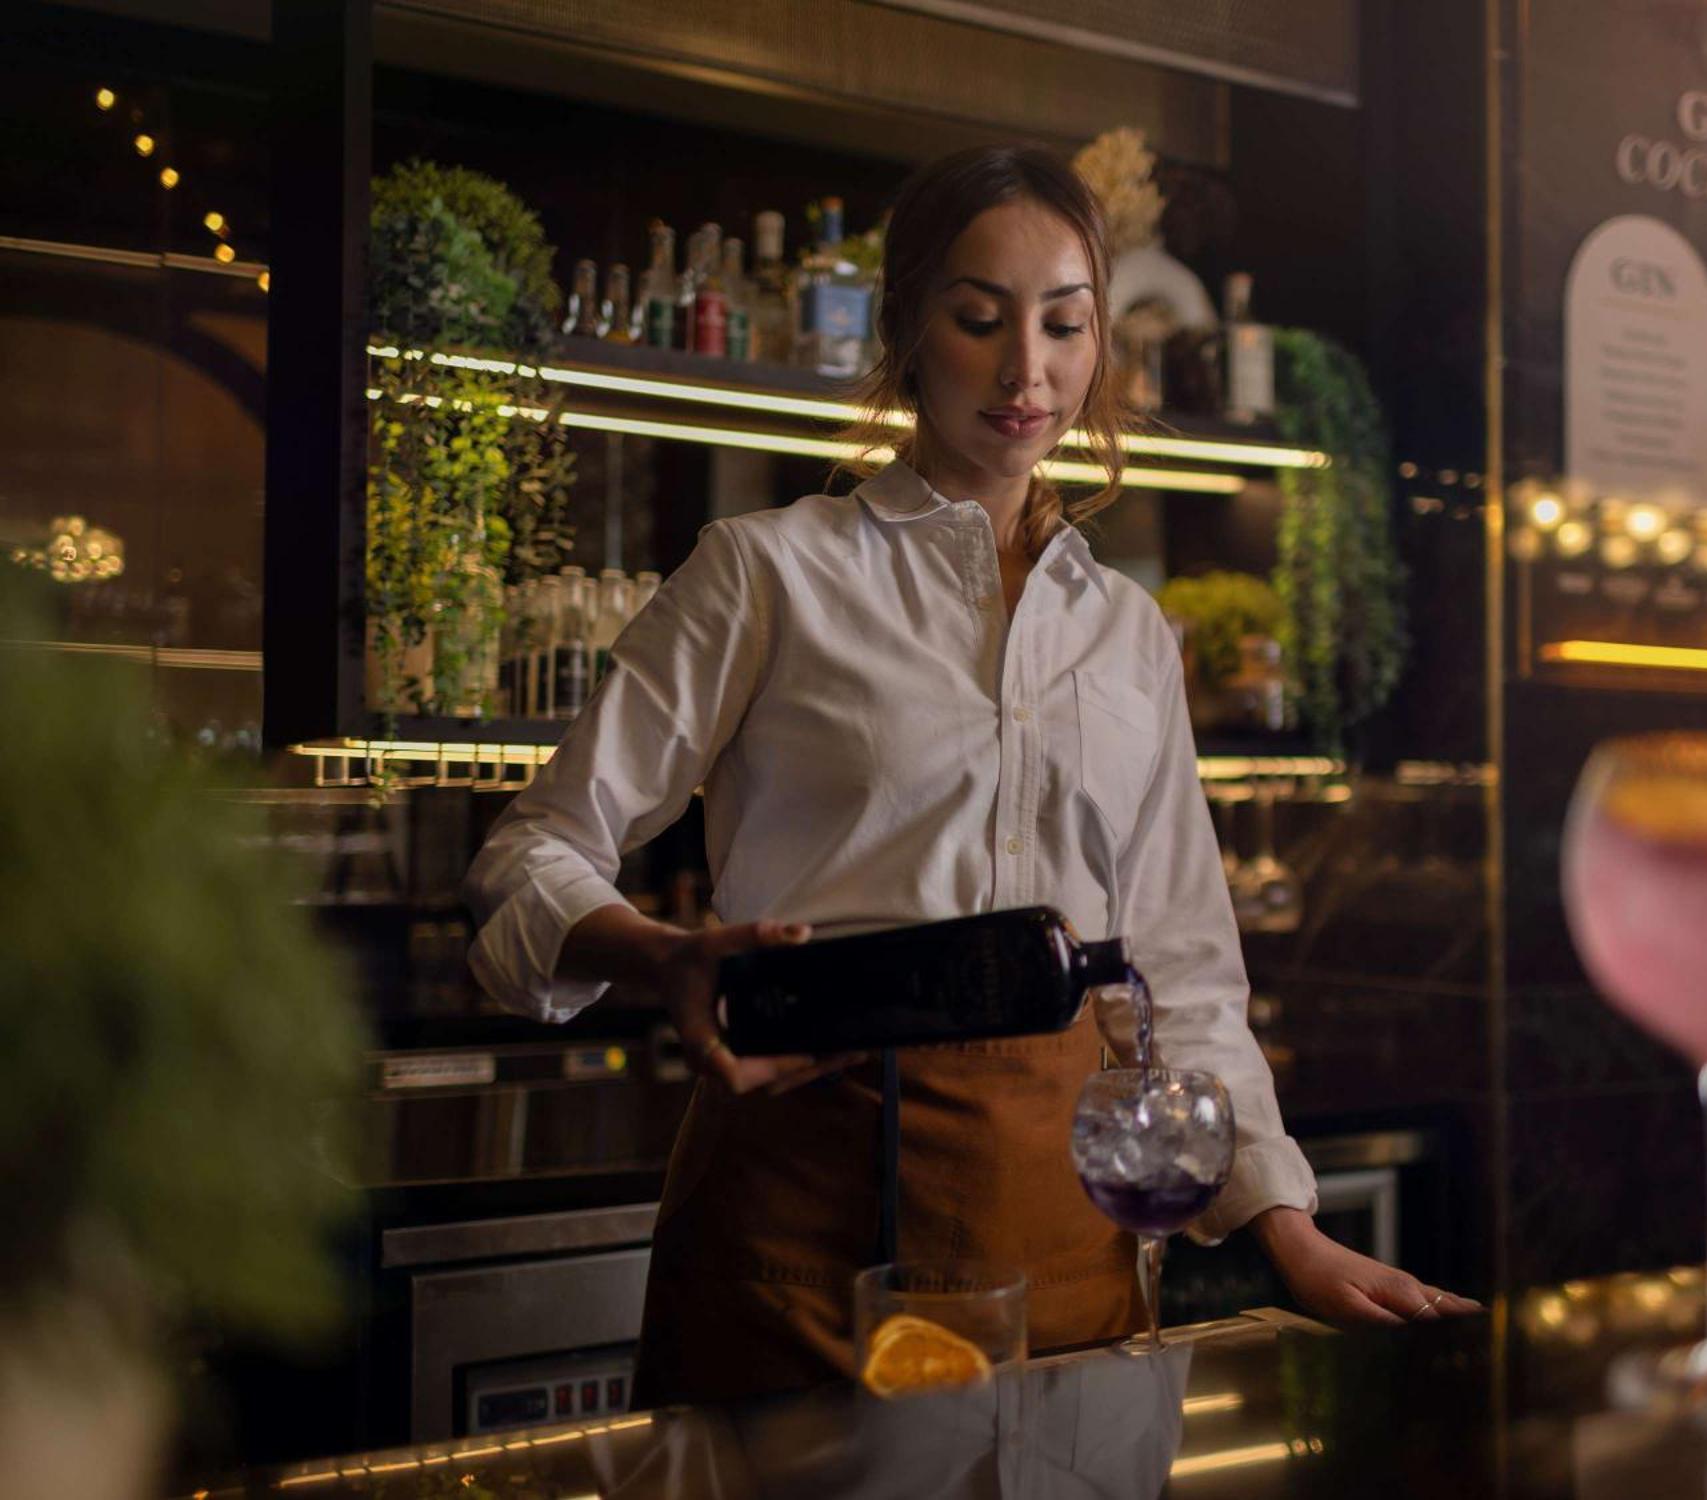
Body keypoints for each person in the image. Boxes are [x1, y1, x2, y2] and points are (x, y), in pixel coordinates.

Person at [463, 144, 1477, 1404]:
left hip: (1064, 1231)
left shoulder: (1125, 633)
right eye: (978, 318)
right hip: (801, 1215)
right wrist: (664, 956)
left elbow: (1179, 970)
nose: (1025, 371)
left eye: (1063, 324)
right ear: (904, 330)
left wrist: (1283, 1225)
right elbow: (529, 855)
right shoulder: (766, 574)